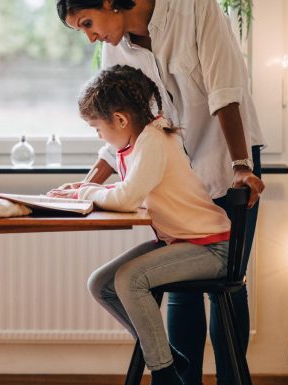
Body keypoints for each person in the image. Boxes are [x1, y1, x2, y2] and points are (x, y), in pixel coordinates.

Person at [54, 1, 265, 384]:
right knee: (180, 291)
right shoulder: (114, 41)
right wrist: (87, 186)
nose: (90, 37)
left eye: (87, 23)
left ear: (108, 2)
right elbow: (116, 125)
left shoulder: (194, 9)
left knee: (228, 289)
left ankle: (231, 379)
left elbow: (225, 90)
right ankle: (183, 378)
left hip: (229, 156)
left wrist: (241, 166)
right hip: (172, 164)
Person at [51, 64, 232, 385]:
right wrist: (82, 190)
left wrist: (87, 190)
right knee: (101, 284)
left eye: (97, 128)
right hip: (183, 242)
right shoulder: (142, 140)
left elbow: (126, 198)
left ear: (120, 120)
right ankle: (166, 353)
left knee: (130, 279)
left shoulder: (153, 141)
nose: (98, 135)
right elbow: (129, 190)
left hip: (211, 248)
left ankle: (164, 374)